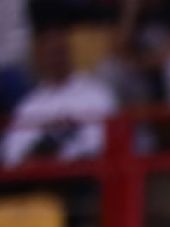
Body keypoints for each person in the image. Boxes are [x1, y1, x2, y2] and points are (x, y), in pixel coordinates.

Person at [2, 30, 117, 167]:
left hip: (84, 171)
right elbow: (12, 154)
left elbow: (101, 142)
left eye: (59, 52)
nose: (55, 59)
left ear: (69, 54)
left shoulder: (96, 93)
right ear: (39, 59)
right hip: (41, 173)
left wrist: (64, 153)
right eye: (49, 54)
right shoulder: (29, 104)